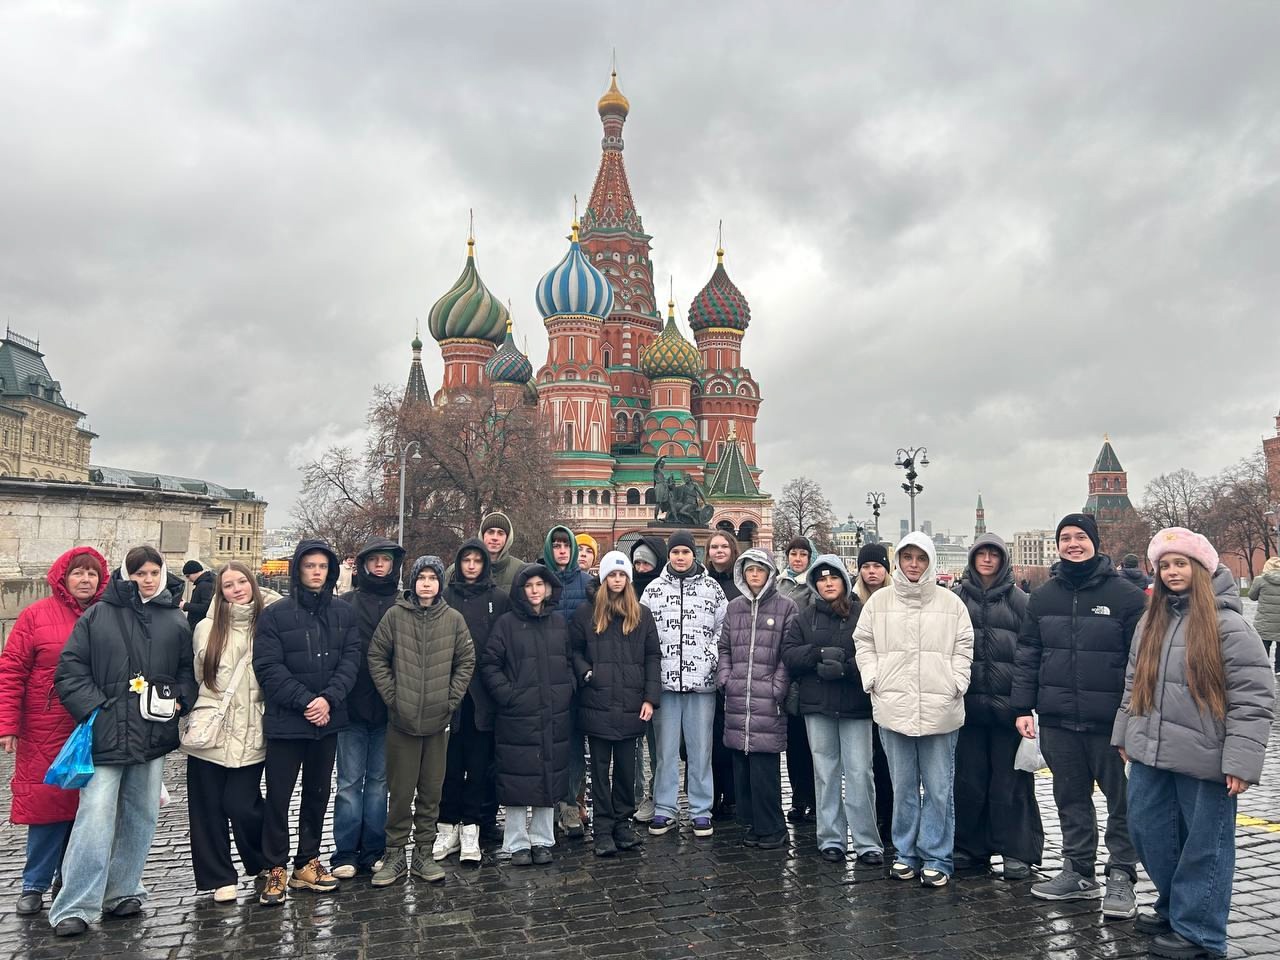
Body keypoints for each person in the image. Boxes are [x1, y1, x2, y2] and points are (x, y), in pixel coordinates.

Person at [1115, 528, 1275, 960]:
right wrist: (1124, 732)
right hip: (1151, 748)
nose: (1171, 572)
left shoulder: (1228, 624)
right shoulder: (1153, 619)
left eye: (1180, 563)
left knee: (1205, 843)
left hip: (1206, 754)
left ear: (1201, 568)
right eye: (1165, 565)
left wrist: (1241, 761)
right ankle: (1175, 906)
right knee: (1148, 831)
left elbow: (1253, 696)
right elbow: (1134, 681)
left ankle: (1200, 931)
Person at [49, 545, 198, 937]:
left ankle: (123, 889)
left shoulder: (174, 620)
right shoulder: (99, 615)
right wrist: (96, 708)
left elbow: (187, 671)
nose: (146, 580)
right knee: (94, 816)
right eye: (138, 573)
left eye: (152, 572)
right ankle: (76, 904)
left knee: (141, 816)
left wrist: (180, 699)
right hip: (106, 734)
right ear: (125, 575)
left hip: (153, 731)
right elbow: (70, 670)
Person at [1011, 513, 1147, 918]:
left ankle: (1121, 875)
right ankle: (1079, 870)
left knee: (1122, 803)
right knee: (1070, 799)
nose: (1073, 543)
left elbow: (1141, 663)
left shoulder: (1126, 596)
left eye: (1080, 537)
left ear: (1095, 542)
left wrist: (1134, 715)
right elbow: (1028, 652)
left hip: (1110, 722)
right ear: (1058, 545)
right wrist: (1023, 706)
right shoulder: (1044, 595)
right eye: (1066, 538)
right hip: (1057, 719)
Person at [854, 532, 973, 888]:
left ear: (930, 562)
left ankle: (937, 855)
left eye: (921, 559)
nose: (914, 565)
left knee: (939, 788)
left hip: (941, 707)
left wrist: (957, 681)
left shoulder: (951, 603)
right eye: (908, 558)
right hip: (894, 706)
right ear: (899, 561)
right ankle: (906, 852)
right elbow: (864, 642)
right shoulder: (879, 603)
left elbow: (964, 646)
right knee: (903, 786)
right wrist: (873, 677)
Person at [252, 539, 362, 906]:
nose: (316, 572)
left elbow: (351, 661)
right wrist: (306, 701)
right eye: (310, 566)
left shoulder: (343, 613)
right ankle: (275, 866)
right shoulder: (276, 614)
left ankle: (307, 861)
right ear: (298, 569)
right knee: (279, 798)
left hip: (327, 721)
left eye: (322, 566)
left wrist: (328, 699)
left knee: (317, 794)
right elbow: (268, 667)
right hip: (288, 720)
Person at [0, 547, 107, 917]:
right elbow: (11, 671)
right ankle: (35, 882)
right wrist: (8, 725)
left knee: (86, 810)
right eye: (78, 573)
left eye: (92, 574)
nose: (85, 580)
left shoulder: (107, 615)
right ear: (63, 577)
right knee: (47, 806)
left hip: (92, 724)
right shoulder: (35, 616)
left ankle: (71, 878)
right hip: (45, 725)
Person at [368, 556, 475, 886]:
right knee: (400, 793)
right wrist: (394, 697)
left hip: (437, 722)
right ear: (413, 581)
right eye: (421, 577)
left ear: (440, 583)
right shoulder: (395, 617)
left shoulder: (453, 619)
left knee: (431, 792)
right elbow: (377, 657)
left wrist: (450, 699)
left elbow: (466, 661)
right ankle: (396, 853)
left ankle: (424, 853)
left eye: (432, 577)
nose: (426, 583)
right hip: (402, 722)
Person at [183, 562, 278, 902]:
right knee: (206, 807)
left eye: (242, 582)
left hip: (253, 725)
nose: (237, 589)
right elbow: (198, 676)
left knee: (242, 804)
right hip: (212, 726)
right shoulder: (206, 627)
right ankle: (218, 876)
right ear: (220, 592)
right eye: (228, 585)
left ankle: (261, 860)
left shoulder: (270, 623)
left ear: (252, 584)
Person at [952, 534, 1043, 880]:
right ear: (973, 558)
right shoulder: (956, 599)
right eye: (981, 553)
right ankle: (969, 848)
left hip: (1008, 710)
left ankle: (1016, 852)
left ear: (1003, 560)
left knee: (1012, 784)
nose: (987, 559)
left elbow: (1030, 654)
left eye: (994, 554)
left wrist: (1024, 704)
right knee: (969, 781)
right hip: (968, 709)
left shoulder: (1021, 602)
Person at [781, 555, 882, 864]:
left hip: (855, 705)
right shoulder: (804, 617)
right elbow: (790, 654)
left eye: (833, 578)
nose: (828, 583)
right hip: (818, 705)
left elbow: (875, 652)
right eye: (822, 579)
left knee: (859, 773)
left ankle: (867, 841)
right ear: (815, 583)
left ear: (843, 581)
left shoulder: (862, 615)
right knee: (824, 773)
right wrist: (819, 655)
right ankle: (831, 838)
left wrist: (847, 667)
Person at [480, 564, 575, 866]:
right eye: (529, 585)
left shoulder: (559, 623)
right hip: (517, 715)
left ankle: (543, 839)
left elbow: (570, 660)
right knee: (517, 779)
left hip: (552, 712)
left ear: (548, 589)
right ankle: (517, 841)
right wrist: (508, 695)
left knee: (548, 776)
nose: (535, 590)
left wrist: (567, 689)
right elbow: (489, 664)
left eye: (539, 585)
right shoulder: (507, 624)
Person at [569, 551, 660, 857]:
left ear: (628, 579)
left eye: (622, 575)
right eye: (612, 575)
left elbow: (652, 657)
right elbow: (575, 651)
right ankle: (603, 828)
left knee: (625, 768)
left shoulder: (642, 615)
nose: (617, 580)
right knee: (599, 768)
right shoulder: (586, 613)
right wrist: (587, 673)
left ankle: (622, 823)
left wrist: (650, 697)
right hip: (597, 701)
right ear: (604, 578)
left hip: (632, 702)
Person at [641, 531, 728, 839]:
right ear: (669, 556)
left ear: (694, 555)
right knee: (664, 752)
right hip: (664, 684)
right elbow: (643, 635)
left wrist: (710, 657)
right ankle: (664, 808)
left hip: (701, 683)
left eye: (685, 552)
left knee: (700, 749)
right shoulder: (653, 591)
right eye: (675, 552)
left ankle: (700, 809)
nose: (680, 557)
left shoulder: (712, 589)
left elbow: (724, 630)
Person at [331, 537, 405, 880]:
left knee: (378, 783)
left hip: (389, 707)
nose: (379, 566)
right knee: (348, 782)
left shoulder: (402, 604)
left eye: (385, 560)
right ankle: (345, 850)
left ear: (393, 565)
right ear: (364, 565)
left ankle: (374, 848)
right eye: (374, 560)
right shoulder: (346, 604)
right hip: (351, 705)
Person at [436, 538, 511, 863]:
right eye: (465, 560)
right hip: (450, 696)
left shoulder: (498, 599)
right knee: (449, 769)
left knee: (479, 768)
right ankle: (447, 827)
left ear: (484, 565)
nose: (470, 566)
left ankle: (472, 829)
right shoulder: (445, 596)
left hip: (484, 697)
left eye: (476, 561)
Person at [717, 549, 797, 849]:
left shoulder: (785, 607)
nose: (754, 575)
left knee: (765, 769)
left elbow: (787, 653)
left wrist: (777, 687)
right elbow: (724, 647)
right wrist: (726, 677)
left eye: (760, 570)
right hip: (738, 697)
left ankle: (772, 827)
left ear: (769, 574)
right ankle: (751, 824)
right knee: (743, 766)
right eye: (749, 569)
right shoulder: (735, 607)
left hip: (767, 699)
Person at [543, 525, 596, 839]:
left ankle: (571, 803)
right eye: (557, 545)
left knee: (575, 744)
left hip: (576, 677)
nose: (562, 550)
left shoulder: (587, 584)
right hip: (546, 675)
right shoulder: (538, 580)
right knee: (548, 743)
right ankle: (549, 803)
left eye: (566, 545)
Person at [854, 543, 896, 843]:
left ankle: (890, 816)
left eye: (877, 566)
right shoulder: (852, 601)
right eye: (866, 567)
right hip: (859, 693)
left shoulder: (895, 600)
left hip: (891, 690)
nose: (872, 571)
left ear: (886, 570)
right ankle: (872, 817)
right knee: (863, 762)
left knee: (887, 760)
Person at [776, 536, 817, 822]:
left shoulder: (814, 586)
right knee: (794, 743)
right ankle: (798, 797)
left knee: (814, 743)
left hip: (808, 668)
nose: (798, 559)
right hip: (786, 668)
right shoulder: (779, 584)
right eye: (794, 554)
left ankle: (815, 799)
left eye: (803, 554)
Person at [630, 534, 668, 822]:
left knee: (658, 745)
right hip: (630, 680)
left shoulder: (662, 590)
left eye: (646, 563)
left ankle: (656, 795)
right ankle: (632, 795)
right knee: (632, 745)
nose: (641, 567)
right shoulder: (626, 591)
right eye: (637, 563)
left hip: (657, 680)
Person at [705, 531, 741, 820]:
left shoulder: (740, 584)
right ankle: (712, 793)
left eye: (724, 546)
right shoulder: (703, 582)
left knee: (734, 736)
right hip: (707, 671)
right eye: (714, 547)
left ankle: (733, 794)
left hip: (736, 670)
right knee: (712, 738)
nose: (719, 551)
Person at [446, 511, 524, 593]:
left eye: (500, 533)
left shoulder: (520, 570)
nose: (495, 538)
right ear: (482, 535)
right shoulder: (456, 570)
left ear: (507, 538)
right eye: (490, 532)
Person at [1247, 556, 1280, 673]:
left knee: (1263, 647)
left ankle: (1263, 670)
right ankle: (1278, 669)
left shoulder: (1260, 580)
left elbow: (1252, 596)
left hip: (1264, 621)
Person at [181, 560, 216, 629]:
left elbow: (206, 607)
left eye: (188, 576)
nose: (188, 580)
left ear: (194, 572)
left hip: (201, 626)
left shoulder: (205, 585)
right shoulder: (206, 582)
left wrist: (185, 605)